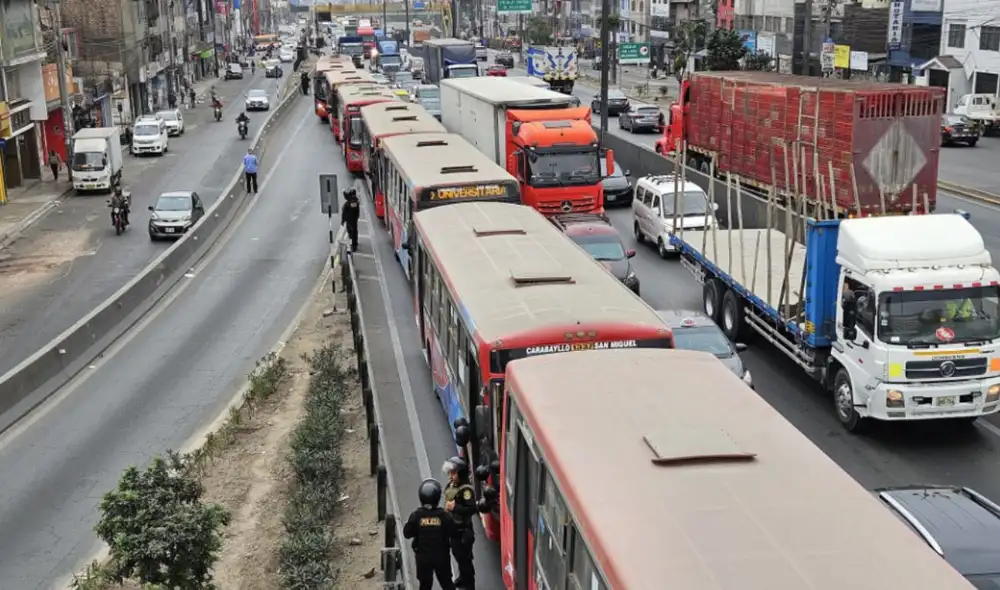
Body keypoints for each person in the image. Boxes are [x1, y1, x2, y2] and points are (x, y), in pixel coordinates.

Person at [403, 479, 457, 590]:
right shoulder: (444, 516)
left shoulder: (416, 516)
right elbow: (453, 532)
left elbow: (407, 533)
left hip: (423, 558)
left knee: (425, 585)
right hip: (441, 557)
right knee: (447, 584)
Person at [443, 457, 477, 590]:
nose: (451, 476)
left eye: (453, 473)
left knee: (465, 560)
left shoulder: (466, 491)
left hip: (463, 531)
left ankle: (469, 584)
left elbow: (472, 509)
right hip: (453, 529)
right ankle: (462, 578)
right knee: (457, 556)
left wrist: (454, 508)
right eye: (450, 473)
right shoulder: (452, 485)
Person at [341, 188, 360, 252]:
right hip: (354, 220)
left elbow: (344, 213)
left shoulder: (348, 204)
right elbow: (357, 212)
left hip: (349, 221)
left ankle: (353, 245)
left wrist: (343, 220)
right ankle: (354, 245)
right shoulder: (356, 202)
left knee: (351, 234)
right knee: (354, 233)